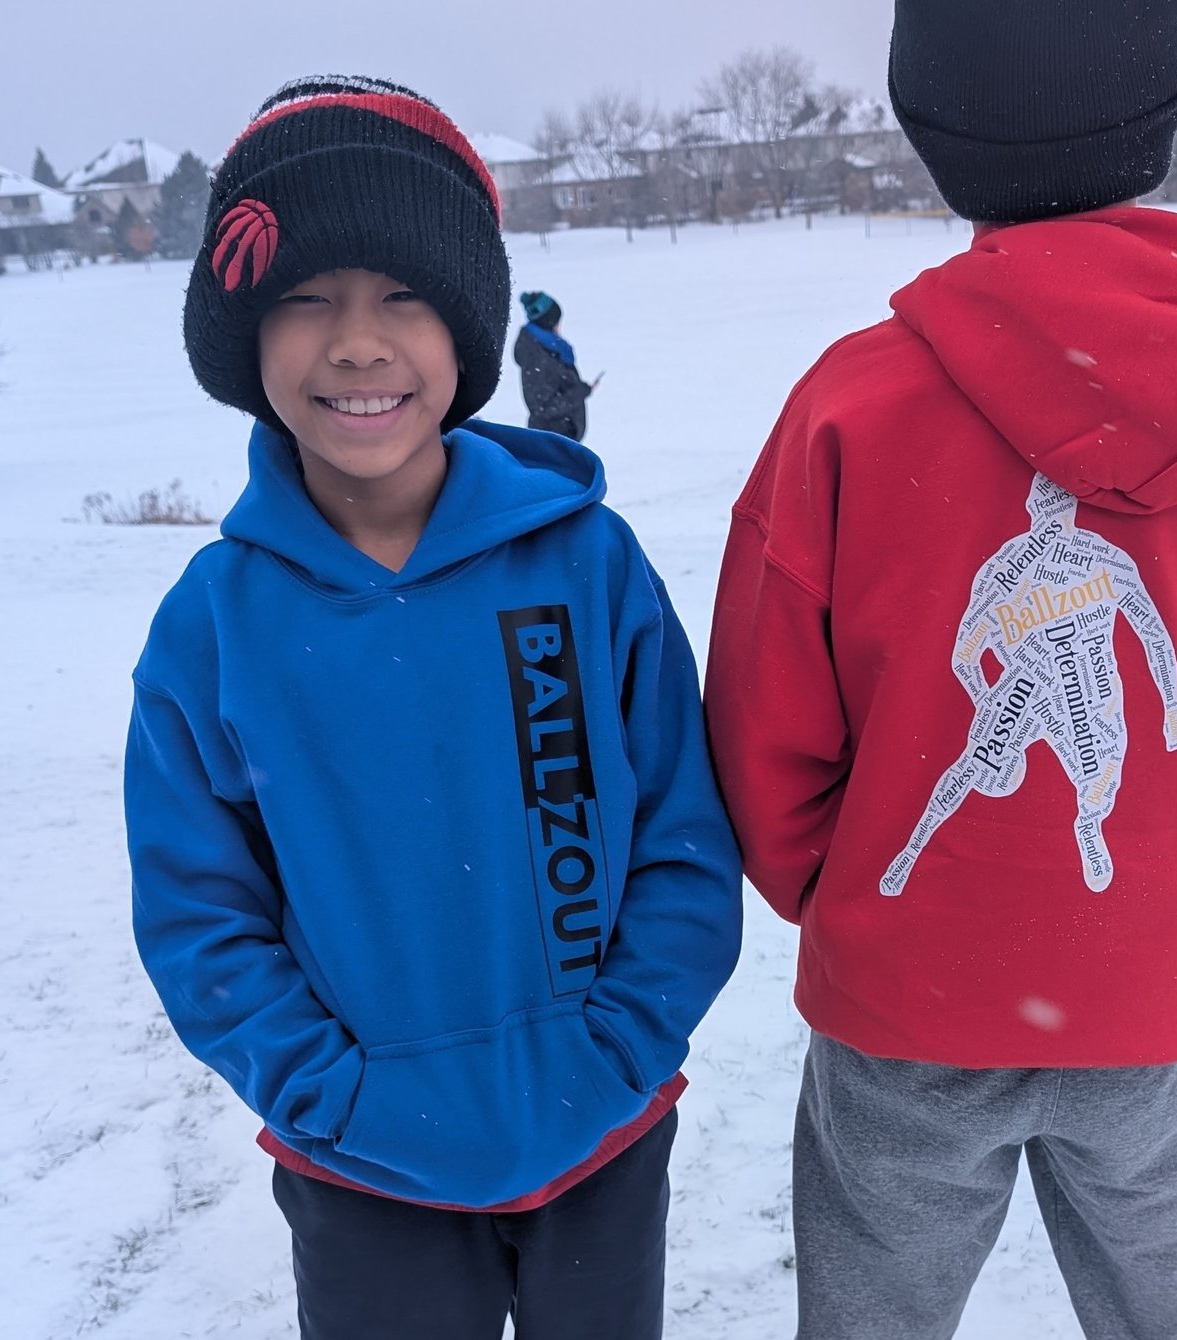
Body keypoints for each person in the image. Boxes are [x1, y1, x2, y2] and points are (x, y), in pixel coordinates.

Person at [703, 2, 1177, 1336]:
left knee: (873, 1317)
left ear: (929, 127)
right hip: (1161, 992)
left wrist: (853, 896)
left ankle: (994, 838)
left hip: (909, 1004)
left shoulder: (848, 407)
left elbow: (765, 721)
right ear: (1174, 103)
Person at [126, 75, 742, 1340]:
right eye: (306, 299)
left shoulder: (587, 562)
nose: (358, 342)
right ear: (246, 336)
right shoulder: (213, 624)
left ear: (468, 330)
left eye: (404, 294)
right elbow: (200, 914)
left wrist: (617, 1043)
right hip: (366, 1170)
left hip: (603, 1134)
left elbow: (686, 831)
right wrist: (333, 1094)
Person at [514, 290, 596, 440]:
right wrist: (580, 391)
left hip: (560, 439)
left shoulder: (550, 348)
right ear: (548, 323)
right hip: (551, 443)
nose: (559, 327)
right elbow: (543, 407)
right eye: (558, 322)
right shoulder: (535, 357)